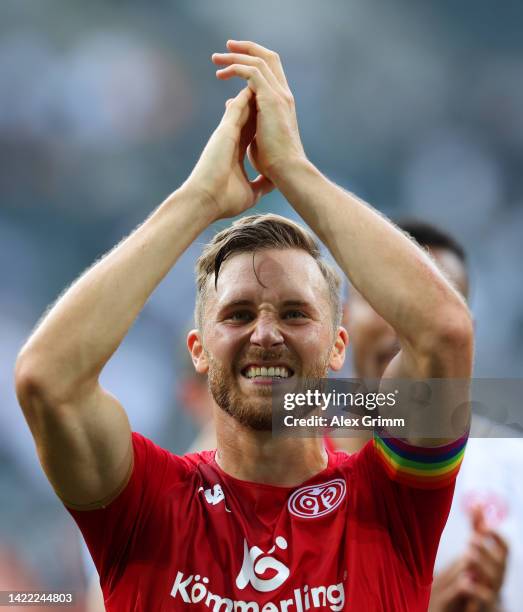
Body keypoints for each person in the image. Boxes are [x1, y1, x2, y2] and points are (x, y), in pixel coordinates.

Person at [15, 40, 473, 610]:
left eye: (294, 313)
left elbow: (444, 333)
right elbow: (46, 381)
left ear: (338, 347)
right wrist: (199, 199)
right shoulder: (145, 505)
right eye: (237, 314)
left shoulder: (390, 502)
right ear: (199, 349)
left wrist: (295, 172)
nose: (265, 333)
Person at [333, 220, 514, 611]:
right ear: (343, 317)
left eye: (438, 308)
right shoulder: (277, 471)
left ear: (467, 338)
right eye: (385, 299)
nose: (414, 327)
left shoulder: (513, 467)